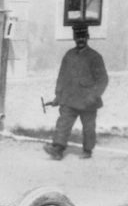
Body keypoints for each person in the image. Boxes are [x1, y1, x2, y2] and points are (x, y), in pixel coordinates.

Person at [43, 23, 108, 160]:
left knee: (88, 128)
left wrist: (94, 95)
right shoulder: (69, 55)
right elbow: (62, 77)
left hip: (88, 101)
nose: (80, 40)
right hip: (70, 98)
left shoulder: (95, 57)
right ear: (74, 38)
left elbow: (103, 79)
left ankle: (87, 150)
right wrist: (58, 95)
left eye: (83, 37)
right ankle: (58, 149)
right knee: (63, 123)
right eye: (77, 37)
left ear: (88, 37)